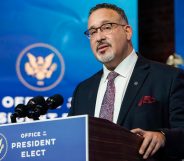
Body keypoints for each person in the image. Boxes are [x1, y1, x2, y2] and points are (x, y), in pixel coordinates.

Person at [68, 3, 184, 161]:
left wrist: (163, 136)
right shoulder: (83, 90)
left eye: (107, 27)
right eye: (93, 31)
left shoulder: (168, 78)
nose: (99, 37)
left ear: (127, 31)